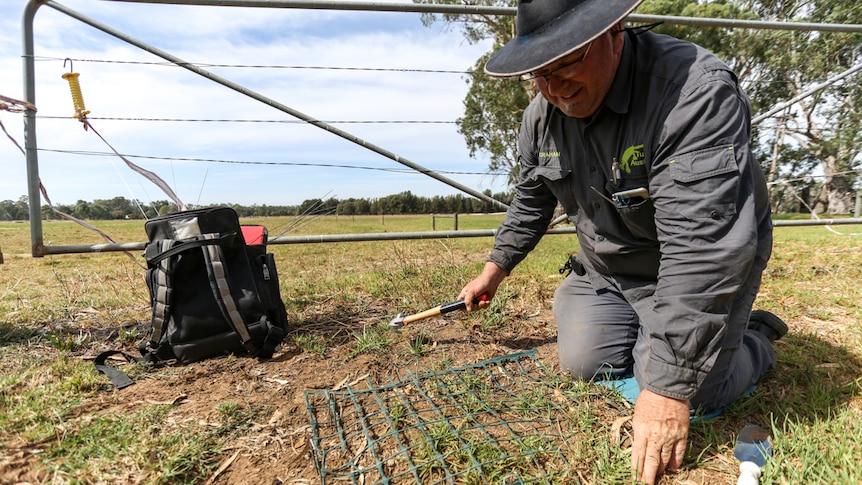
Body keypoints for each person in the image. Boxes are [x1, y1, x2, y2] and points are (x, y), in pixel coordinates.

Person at [457, 1, 788, 483]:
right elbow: (531, 201)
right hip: (607, 268)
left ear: (616, 32)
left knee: (695, 393)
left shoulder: (692, 94)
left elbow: (702, 249)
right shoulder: (541, 116)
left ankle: (753, 340)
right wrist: (493, 270)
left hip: (693, 261)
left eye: (567, 62)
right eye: (539, 75)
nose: (555, 89)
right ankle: (657, 331)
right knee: (585, 361)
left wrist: (667, 390)